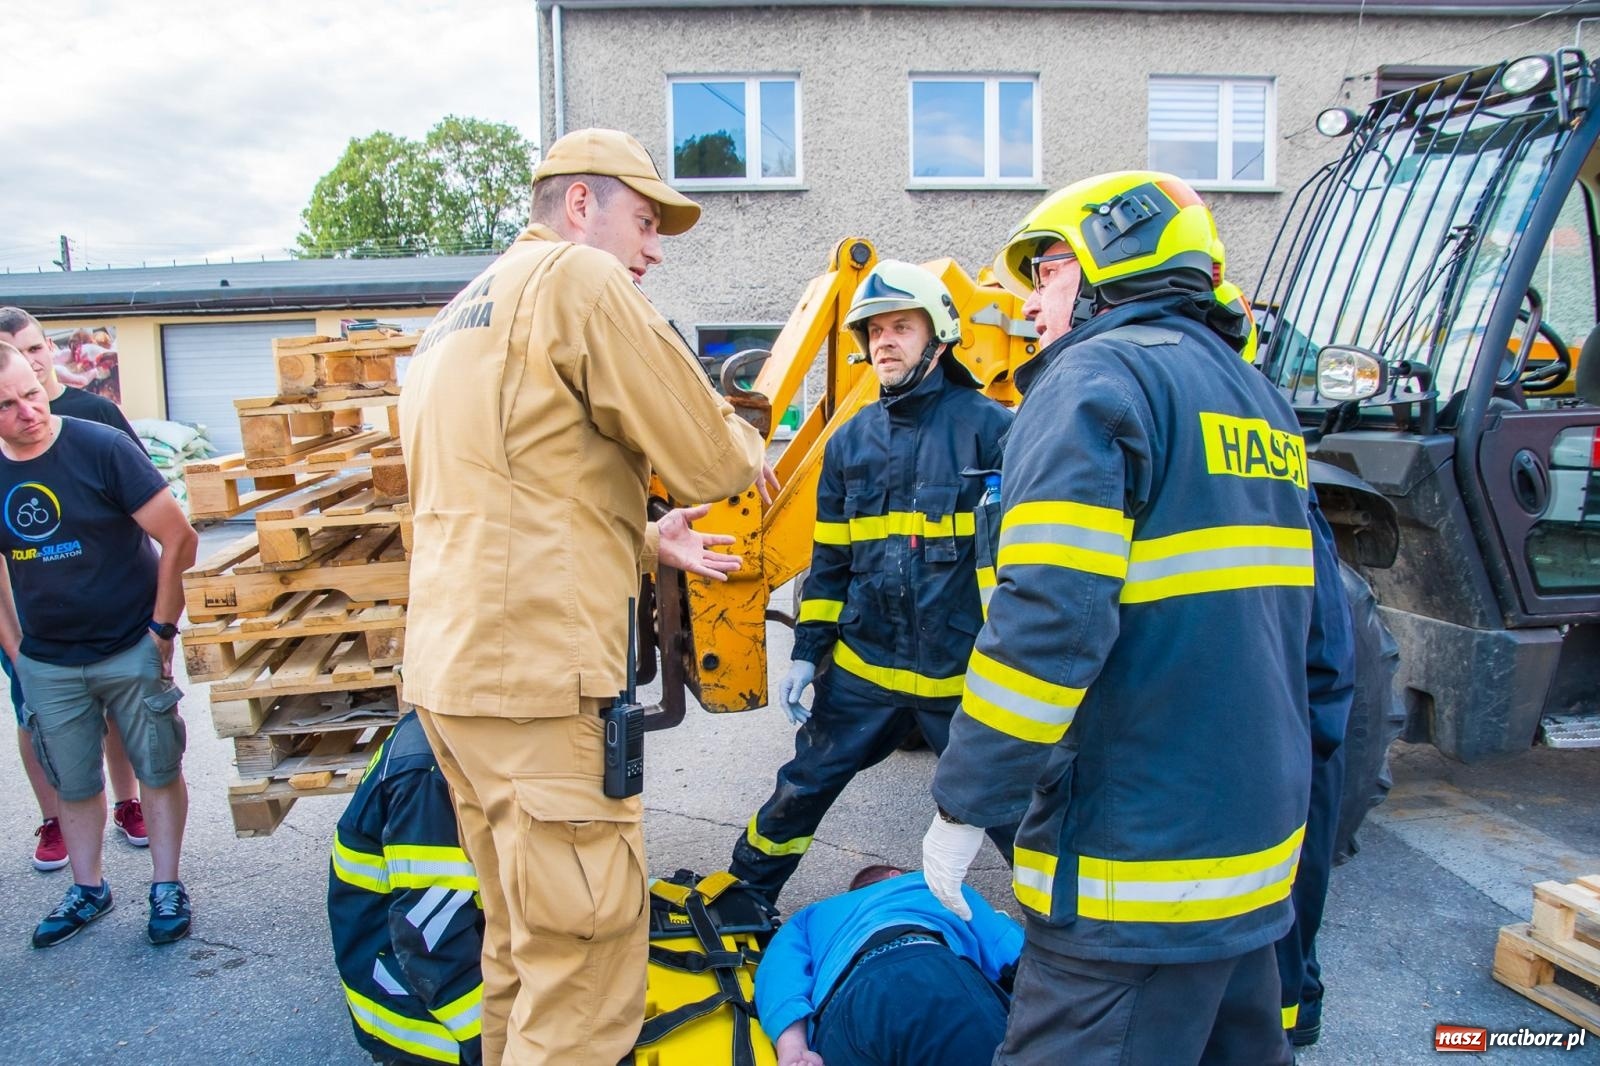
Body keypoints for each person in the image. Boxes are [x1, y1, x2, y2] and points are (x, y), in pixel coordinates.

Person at [921, 171, 1325, 1065]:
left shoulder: (1093, 381)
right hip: (1247, 860)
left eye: (1048, 271)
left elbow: (1048, 626)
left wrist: (963, 804)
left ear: (1114, 256)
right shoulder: (1259, 401)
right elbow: (1320, 644)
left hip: (1130, 877)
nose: (1030, 304)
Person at [399, 127, 767, 1065]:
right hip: (537, 690)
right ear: (577, 205)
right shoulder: (576, 280)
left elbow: (503, 492)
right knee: (591, 970)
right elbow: (714, 455)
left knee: (523, 949)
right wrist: (750, 444)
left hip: (455, 684)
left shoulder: (454, 320)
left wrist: (643, 540)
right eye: (644, 223)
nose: (651, 250)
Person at [730, 260, 1014, 907]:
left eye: (901, 327)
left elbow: (1027, 569)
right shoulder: (851, 440)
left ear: (939, 335)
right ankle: (743, 892)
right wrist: (806, 654)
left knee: (1018, 816)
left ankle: (1070, 939)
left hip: (965, 681)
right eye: (874, 330)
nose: (884, 341)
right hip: (866, 673)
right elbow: (829, 563)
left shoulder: (993, 431)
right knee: (800, 789)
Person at [0, 340, 198, 948]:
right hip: (50, 661)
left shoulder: (101, 448)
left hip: (128, 644)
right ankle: (89, 888)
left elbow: (179, 538)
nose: (27, 412)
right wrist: (17, 658)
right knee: (74, 780)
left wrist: (161, 631)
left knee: (158, 767)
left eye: (32, 393)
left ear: (43, 380)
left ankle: (165, 885)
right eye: (6, 406)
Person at [0, 306, 147, 873]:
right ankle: (55, 817)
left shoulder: (93, 416)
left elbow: (152, 514)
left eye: (37, 349)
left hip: (110, 610)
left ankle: (127, 800)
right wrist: (15, 648)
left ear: (48, 350)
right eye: (17, 355)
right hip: (33, 619)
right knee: (33, 716)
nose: (31, 369)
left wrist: (157, 618)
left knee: (112, 712)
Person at [329, 711, 485, 1066]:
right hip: (422, 1026)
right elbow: (431, 944)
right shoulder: (431, 775)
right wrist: (498, 1046)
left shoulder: (449, 726)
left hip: (443, 961)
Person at [755, 864, 1022, 1066]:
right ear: (896, 874)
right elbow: (1009, 947)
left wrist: (792, 1044)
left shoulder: (810, 916)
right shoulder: (926, 885)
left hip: (844, 1010)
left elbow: (779, 972)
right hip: (925, 971)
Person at [1276, 494, 1356, 1049]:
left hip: (1293, 736)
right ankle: (1294, 1011)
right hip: (1298, 730)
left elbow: (1327, 661)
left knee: (1281, 894)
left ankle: (1286, 1019)